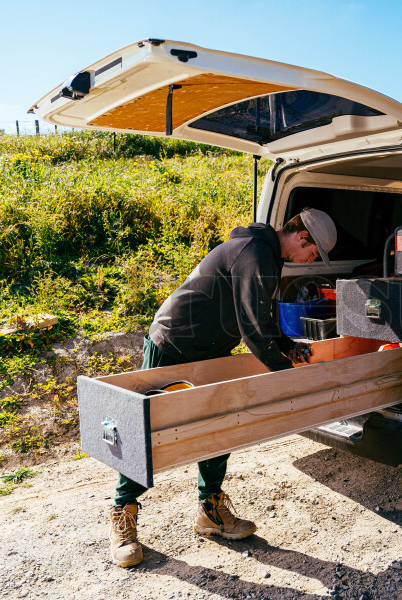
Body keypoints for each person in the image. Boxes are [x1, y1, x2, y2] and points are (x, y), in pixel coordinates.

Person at [109, 208, 337, 568]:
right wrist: (287, 376)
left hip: (210, 349)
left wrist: (287, 345)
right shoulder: (254, 251)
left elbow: (263, 315)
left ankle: (211, 513)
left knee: (221, 425)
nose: (312, 260)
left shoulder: (269, 256)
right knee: (146, 432)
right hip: (173, 343)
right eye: (314, 253)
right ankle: (123, 515)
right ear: (303, 236)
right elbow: (252, 330)